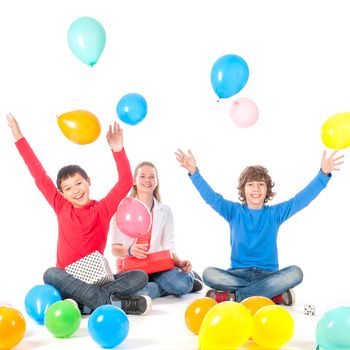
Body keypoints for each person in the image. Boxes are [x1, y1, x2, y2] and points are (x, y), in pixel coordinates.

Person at [7, 113, 151, 315]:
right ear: (62, 194)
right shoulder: (60, 206)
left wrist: (117, 150)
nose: (75, 190)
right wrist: (19, 137)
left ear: (88, 181)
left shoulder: (103, 208)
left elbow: (126, 181)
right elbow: (39, 175)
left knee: (140, 276)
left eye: (78, 183)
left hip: (97, 280)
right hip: (68, 280)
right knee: (50, 274)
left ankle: (88, 304)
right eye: (67, 188)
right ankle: (112, 302)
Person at [175, 148, 344, 305]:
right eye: (250, 184)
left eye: (261, 184)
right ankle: (272, 295)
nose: (256, 189)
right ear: (243, 189)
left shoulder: (275, 213)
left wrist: (323, 174)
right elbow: (211, 198)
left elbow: (301, 200)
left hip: (268, 275)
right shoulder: (233, 211)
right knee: (208, 274)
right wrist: (194, 172)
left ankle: (236, 297)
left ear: (267, 190)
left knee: (296, 273)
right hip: (237, 276)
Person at [111, 161, 203, 299]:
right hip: (131, 269)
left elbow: (169, 247)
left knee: (182, 285)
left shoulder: (165, 210)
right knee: (135, 292)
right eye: (142, 176)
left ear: (157, 181)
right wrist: (130, 250)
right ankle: (167, 286)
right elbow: (115, 249)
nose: (147, 180)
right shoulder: (122, 209)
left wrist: (180, 263)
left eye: (152, 177)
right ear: (134, 181)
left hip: (156, 266)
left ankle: (184, 280)